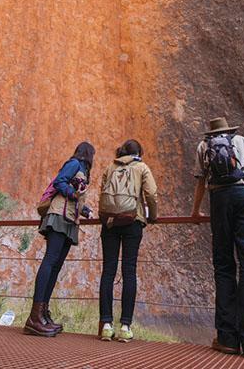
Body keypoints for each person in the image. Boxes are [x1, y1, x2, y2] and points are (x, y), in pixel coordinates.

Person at [190, 117, 244, 359]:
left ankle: (227, 338)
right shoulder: (242, 141)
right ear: (229, 130)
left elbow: (201, 182)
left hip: (219, 201)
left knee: (224, 266)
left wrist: (195, 211)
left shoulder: (203, 146)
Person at [25, 141, 95, 337]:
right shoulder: (74, 164)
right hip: (58, 216)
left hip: (69, 219)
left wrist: (86, 210)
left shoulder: (83, 171)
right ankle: (34, 317)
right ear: (88, 154)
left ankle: (42, 314)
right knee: (50, 261)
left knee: (55, 266)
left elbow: (75, 196)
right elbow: (59, 182)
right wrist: (73, 194)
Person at [96, 139, 158, 343]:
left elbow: (102, 192)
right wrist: (152, 216)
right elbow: (151, 193)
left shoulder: (110, 167)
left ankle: (106, 325)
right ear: (138, 153)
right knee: (129, 271)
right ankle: (125, 326)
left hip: (110, 222)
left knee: (108, 271)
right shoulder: (141, 167)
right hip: (133, 221)